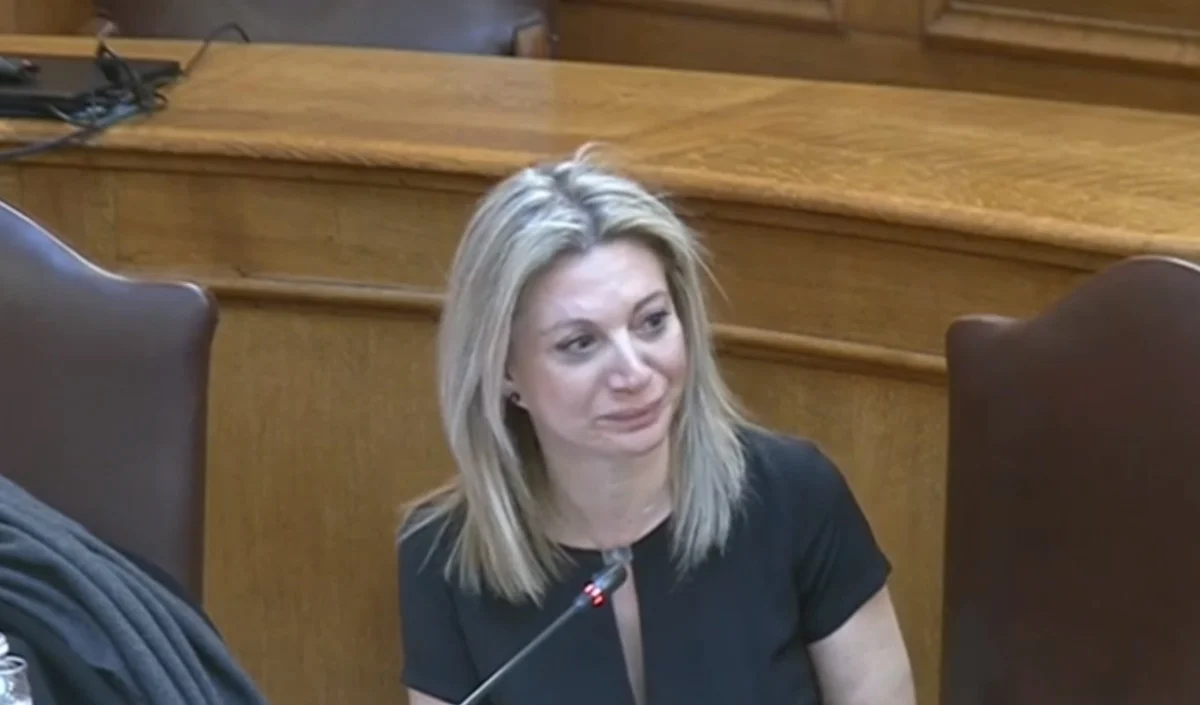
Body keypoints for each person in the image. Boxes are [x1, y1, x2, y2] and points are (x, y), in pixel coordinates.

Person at [396, 145, 916, 705]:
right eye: (580, 343)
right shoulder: (441, 558)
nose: (634, 372)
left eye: (651, 322)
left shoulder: (795, 498)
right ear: (504, 371)